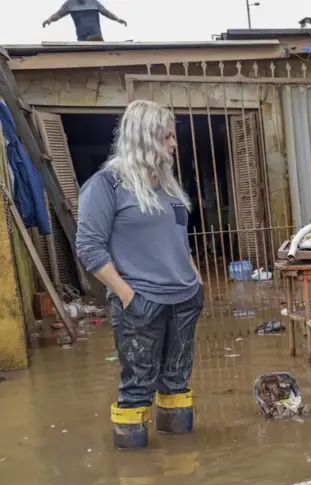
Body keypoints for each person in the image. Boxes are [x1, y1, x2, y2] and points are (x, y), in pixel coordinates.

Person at [76, 100, 204, 450]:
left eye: (172, 136)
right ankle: (137, 481)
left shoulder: (168, 188)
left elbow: (179, 240)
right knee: (137, 388)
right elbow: (89, 248)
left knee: (177, 382)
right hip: (141, 304)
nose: (173, 144)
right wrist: (128, 295)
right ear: (143, 137)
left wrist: (196, 282)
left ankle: (180, 468)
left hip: (184, 299)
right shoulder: (107, 185)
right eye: (166, 137)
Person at [42, 0, 126, 42]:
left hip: (95, 35)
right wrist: (49, 19)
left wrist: (118, 19)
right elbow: (58, 14)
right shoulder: (70, 4)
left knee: (97, 51)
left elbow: (107, 13)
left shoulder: (94, 2)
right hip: (82, 36)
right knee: (85, 52)